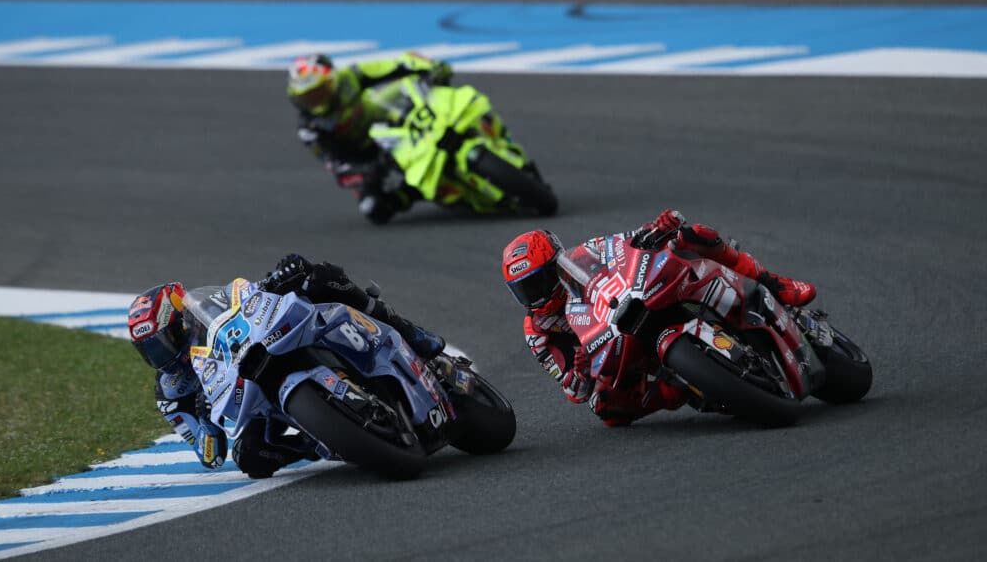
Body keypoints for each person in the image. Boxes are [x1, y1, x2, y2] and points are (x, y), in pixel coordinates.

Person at [127, 254, 445, 478]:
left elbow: (247, 297)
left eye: (165, 339)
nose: (162, 354)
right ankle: (323, 438)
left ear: (181, 321)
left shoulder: (212, 306)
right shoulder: (170, 393)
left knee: (318, 277)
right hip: (249, 401)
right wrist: (208, 421)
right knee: (250, 458)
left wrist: (279, 278)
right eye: (150, 349)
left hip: (265, 345)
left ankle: (408, 331)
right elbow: (209, 456)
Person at [500, 210, 816, 427]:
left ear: (558, 262)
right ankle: (687, 387)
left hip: (642, 298)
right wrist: (581, 373)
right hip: (617, 353)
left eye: (539, 281)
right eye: (524, 290)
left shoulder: (586, 254)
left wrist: (659, 227)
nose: (536, 295)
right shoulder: (537, 332)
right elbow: (574, 393)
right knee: (606, 409)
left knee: (691, 236)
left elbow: (628, 243)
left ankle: (776, 284)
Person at [286, 51, 453, 223]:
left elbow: (394, 65)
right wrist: (367, 171)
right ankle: (412, 193)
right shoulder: (310, 129)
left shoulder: (349, 76)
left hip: (384, 120)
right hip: (365, 156)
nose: (316, 101)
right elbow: (335, 164)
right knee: (373, 209)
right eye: (308, 98)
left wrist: (430, 66)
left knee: (420, 89)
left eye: (320, 92)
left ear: (332, 82)